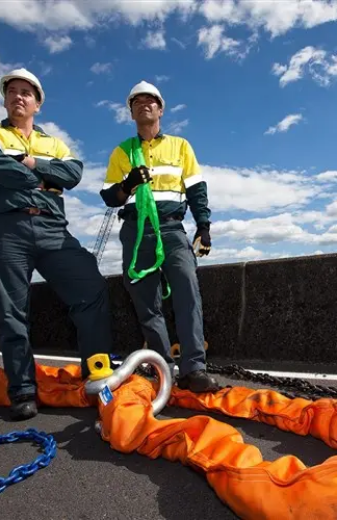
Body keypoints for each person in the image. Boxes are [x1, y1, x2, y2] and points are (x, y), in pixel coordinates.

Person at [0, 68, 114, 420]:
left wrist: (27, 162)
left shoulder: (55, 141)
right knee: (11, 310)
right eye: (12, 91)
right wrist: (42, 175)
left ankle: (96, 375)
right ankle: (22, 390)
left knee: (91, 287)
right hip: (5, 227)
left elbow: (74, 173)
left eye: (26, 93)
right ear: (5, 98)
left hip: (51, 228)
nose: (19, 97)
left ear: (37, 103)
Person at [99, 81, 220, 393]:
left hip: (171, 228)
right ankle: (163, 367)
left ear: (160, 109)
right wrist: (127, 185)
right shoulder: (122, 152)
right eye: (136, 102)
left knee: (187, 293)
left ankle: (194, 369)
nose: (144, 105)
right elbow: (110, 196)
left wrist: (203, 225)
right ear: (131, 112)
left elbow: (195, 188)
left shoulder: (180, 146)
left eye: (150, 100)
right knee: (146, 303)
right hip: (136, 232)